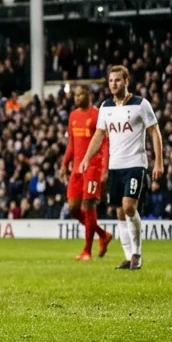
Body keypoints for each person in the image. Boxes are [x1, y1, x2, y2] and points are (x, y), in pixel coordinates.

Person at [80, 65, 163, 271]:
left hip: (135, 164)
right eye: (110, 81)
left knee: (128, 207)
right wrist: (86, 158)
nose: (113, 84)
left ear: (126, 81)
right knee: (118, 212)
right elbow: (99, 135)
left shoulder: (141, 104)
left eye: (117, 80)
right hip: (115, 165)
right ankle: (128, 257)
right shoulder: (106, 107)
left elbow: (154, 132)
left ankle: (137, 254)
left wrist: (159, 162)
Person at [60, 86, 113, 260]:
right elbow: (71, 144)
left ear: (89, 96)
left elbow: (105, 143)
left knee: (88, 205)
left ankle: (87, 250)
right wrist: (64, 164)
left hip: (93, 166)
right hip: (76, 168)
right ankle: (102, 234)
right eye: (75, 95)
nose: (77, 97)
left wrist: (105, 168)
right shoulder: (73, 116)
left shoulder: (97, 115)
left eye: (81, 94)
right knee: (73, 208)